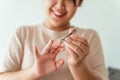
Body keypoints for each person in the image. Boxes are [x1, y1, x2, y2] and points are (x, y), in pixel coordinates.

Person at [0, 0, 108, 80]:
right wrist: (33, 72)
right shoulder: (23, 33)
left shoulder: (89, 36)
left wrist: (78, 64)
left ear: (79, 2)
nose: (60, 5)